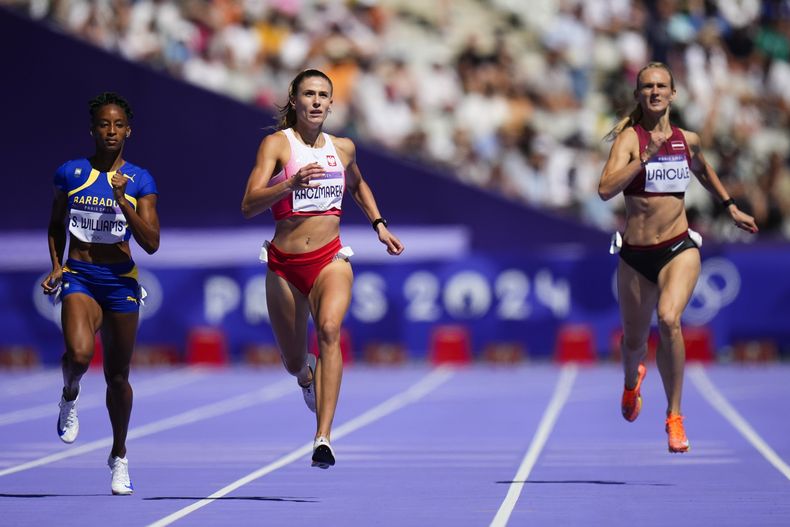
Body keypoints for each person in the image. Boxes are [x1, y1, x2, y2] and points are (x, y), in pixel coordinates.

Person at [241, 69, 404, 469]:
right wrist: (289, 184)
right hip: (284, 265)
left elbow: (359, 186)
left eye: (323, 95)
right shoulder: (277, 145)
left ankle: (323, 437)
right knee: (294, 361)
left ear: (332, 104)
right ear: (294, 101)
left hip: (330, 259)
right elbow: (248, 204)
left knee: (330, 330)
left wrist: (379, 226)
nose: (316, 101)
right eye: (309, 94)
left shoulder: (343, 148)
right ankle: (305, 377)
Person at [598, 62, 757, 453]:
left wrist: (730, 206)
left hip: (678, 247)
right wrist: (644, 158)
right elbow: (604, 189)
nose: (654, 92)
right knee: (634, 342)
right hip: (635, 254)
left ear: (673, 94)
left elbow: (703, 170)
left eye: (661, 86)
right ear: (638, 95)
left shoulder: (688, 139)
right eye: (647, 86)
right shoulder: (629, 140)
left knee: (669, 318)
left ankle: (674, 415)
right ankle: (632, 382)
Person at [41, 92, 160, 493]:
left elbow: (152, 242)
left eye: (118, 125)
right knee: (78, 355)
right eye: (104, 124)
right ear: (93, 130)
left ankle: (119, 456)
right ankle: (69, 393)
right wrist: (57, 265)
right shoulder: (70, 174)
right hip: (80, 276)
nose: (111, 131)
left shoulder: (140, 179)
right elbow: (56, 224)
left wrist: (122, 201)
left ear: (129, 130)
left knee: (117, 377)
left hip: (121, 282)